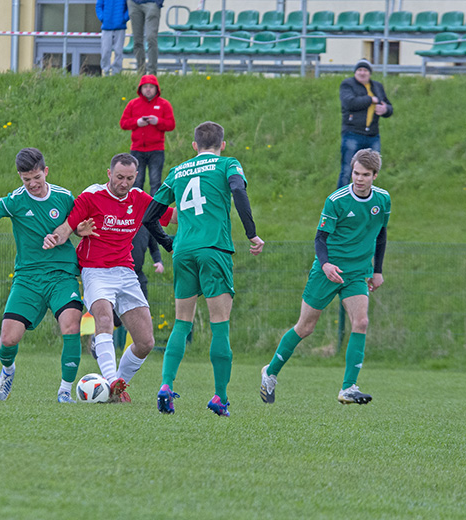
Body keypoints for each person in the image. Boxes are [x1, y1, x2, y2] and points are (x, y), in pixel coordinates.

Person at [143, 121, 264, 417]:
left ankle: (166, 386)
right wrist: (251, 233)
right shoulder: (228, 164)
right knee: (219, 323)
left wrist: (170, 244)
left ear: (194, 146)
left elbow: (149, 216)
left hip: (184, 250)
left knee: (181, 322)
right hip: (214, 249)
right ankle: (220, 397)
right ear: (222, 145)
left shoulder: (178, 171)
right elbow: (238, 191)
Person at [260, 149, 390, 406]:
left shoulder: (383, 199)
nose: (359, 179)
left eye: (365, 174)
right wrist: (327, 264)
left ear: (375, 175)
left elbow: (381, 234)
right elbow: (320, 238)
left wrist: (377, 270)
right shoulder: (337, 200)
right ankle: (270, 372)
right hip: (327, 271)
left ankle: (348, 387)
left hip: (357, 273)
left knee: (361, 322)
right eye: (355, 173)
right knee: (305, 327)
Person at [44, 153, 173, 403]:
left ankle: (116, 387)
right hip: (95, 270)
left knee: (145, 341)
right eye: (119, 177)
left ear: (136, 177)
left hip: (126, 271)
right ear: (109, 174)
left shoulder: (140, 199)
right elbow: (68, 226)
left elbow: (170, 216)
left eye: (129, 178)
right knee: (103, 318)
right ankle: (111, 380)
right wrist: (54, 237)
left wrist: (200, 211)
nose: (124, 183)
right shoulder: (91, 196)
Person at [0, 148, 88, 404]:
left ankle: (65, 390)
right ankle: (8, 370)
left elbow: (78, 226)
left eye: (37, 177)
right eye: (26, 180)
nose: (33, 184)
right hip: (28, 277)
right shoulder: (15, 201)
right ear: (20, 178)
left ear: (45, 171)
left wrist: (78, 230)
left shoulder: (64, 197)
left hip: (62, 274)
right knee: (8, 339)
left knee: (71, 325)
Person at [338, 59, 393, 188]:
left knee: (371, 170)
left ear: (370, 73)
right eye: (359, 70)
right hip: (353, 133)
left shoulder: (377, 87)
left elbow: (388, 106)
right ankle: (340, 202)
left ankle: (367, 200)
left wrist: (385, 109)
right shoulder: (347, 85)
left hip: (372, 135)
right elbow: (349, 103)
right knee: (347, 170)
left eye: (365, 70)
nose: (362, 73)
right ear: (355, 72)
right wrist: (370, 99)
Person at [120, 74, 175, 196]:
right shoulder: (133, 104)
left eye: (151, 86)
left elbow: (171, 124)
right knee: (136, 182)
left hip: (156, 150)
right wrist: (137, 122)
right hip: (137, 149)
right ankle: (136, 208)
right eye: (145, 87)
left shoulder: (164, 104)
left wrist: (158, 122)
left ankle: (154, 211)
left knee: (155, 182)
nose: (148, 89)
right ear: (141, 89)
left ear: (156, 89)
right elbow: (123, 123)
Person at [127, 0, 163, 75]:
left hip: (152, 3)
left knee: (151, 38)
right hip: (134, 3)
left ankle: (152, 74)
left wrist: (158, 2)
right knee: (137, 41)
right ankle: (141, 73)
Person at [96, 0, 129, 76]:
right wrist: (102, 18)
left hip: (120, 27)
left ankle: (116, 73)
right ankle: (106, 72)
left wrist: (124, 19)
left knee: (118, 51)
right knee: (105, 51)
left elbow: (129, 7)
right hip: (106, 27)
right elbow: (98, 6)